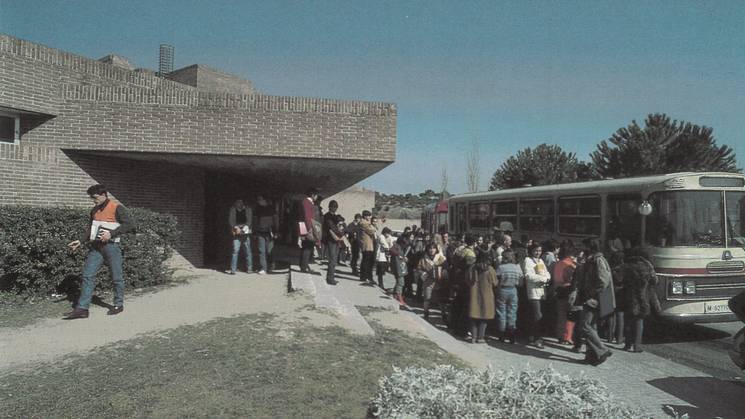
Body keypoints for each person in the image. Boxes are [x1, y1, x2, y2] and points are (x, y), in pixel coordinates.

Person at [65, 184, 135, 319]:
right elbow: (91, 228)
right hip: (96, 248)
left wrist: (112, 233)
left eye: (95, 197)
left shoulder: (117, 208)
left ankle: (118, 304)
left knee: (116, 277)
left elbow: (130, 224)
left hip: (111, 247)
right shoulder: (94, 210)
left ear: (103, 195)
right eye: (92, 198)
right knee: (87, 275)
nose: (93, 200)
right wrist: (80, 241)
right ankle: (82, 309)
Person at [577, 238, 613, 365]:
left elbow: (603, 281)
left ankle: (602, 350)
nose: (581, 248)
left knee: (585, 326)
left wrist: (592, 293)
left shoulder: (598, 260)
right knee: (592, 327)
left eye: (583, 245)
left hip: (594, 299)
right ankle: (592, 357)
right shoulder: (591, 260)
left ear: (589, 247)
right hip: (590, 297)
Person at [619, 247, 659, 353]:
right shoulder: (647, 267)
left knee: (628, 321)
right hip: (643, 297)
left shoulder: (627, 266)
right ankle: (637, 346)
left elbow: (619, 279)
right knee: (639, 322)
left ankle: (627, 344)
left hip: (628, 296)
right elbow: (655, 281)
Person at [467, 247, 498, 343]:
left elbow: (467, 280)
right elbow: (495, 283)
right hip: (487, 295)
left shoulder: (472, 268)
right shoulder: (490, 269)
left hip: (474, 294)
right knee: (484, 317)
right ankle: (480, 337)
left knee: (474, 316)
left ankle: (473, 337)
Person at [523, 243, 551, 348]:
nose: (538, 253)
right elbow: (528, 275)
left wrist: (547, 278)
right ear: (531, 251)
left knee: (536, 315)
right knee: (537, 316)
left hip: (542, 291)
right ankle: (537, 339)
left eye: (539, 251)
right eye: (535, 251)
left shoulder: (541, 261)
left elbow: (547, 273)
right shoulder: (528, 260)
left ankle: (532, 336)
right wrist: (543, 279)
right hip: (533, 291)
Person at [495, 250, 522, 343]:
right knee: (512, 311)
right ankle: (511, 334)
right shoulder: (517, 267)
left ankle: (501, 334)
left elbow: (497, 279)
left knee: (501, 311)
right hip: (513, 289)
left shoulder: (501, 268)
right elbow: (520, 280)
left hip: (503, 289)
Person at [552, 247, 578, 345]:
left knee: (561, 315)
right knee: (570, 316)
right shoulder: (572, 265)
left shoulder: (558, 263)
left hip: (559, 290)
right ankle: (567, 337)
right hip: (568, 289)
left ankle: (560, 335)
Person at [418, 243, 447, 319]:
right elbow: (419, 268)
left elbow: (446, 267)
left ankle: (443, 314)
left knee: (440, 299)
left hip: (438, 282)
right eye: (430, 248)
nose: (432, 250)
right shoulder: (424, 258)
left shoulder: (441, 258)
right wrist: (423, 273)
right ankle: (426, 313)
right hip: (428, 281)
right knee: (427, 298)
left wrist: (443, 272)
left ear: (436, 249)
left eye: (433, 248)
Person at [227, 199, 253, 275]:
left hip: (246, 231)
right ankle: (233, 269)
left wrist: (245, 227)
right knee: (235, 250)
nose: (238, 204)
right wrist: (235, 227)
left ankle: (249, 268)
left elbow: (249, 220)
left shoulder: (248, 209)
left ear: (242, 203)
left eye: (240, 202)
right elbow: (231, 220)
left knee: (247, 250)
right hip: (236, 231)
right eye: (237, 202)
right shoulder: (233, 210)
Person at [298, 188, 321, 275]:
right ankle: (304, 266)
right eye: (316, 195)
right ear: (313, 195)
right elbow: (307, 217)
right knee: (308, 247)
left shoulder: (305, 202)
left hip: (303, 226)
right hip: (307, 227)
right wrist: (310, 229)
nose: (317, 197)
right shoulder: (307, 203)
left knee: (305, 247)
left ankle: (303, 265)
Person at [322, 200, 344, 285]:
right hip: (330, 239)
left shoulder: (335, 216)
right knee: (332, 259)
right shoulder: (327, 216)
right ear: (330, 207)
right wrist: (338, 231)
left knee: (334, 259)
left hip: (336, 239)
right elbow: (331, 228)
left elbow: (340, 225)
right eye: (333, 207)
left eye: (336, 207)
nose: (335, 208)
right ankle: (330, 279)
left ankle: (331, 277)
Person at [254, 195, 277, 274]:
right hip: (260, 232)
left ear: (265, 200)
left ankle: (272, 265)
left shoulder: (271, 208)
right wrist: (255, 231)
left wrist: (276, 231)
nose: (259, 201)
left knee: (269, 250)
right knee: (261, 251)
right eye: (258, 199)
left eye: (260, 199)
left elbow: (275, 220)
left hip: (270, 232)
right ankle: (263, 268)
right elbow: (255, 221)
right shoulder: (257, 209)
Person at [358, 210, 377, 284]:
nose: (369, 218)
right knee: (366, 262)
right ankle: (364, 276)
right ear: (365, 216)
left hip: (367, 244)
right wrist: (374, 226)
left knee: (366, 261)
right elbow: (371, 231)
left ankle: (364, 276)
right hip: (367, 244)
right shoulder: (364, 223)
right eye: (369, 216)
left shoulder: (365, 223)